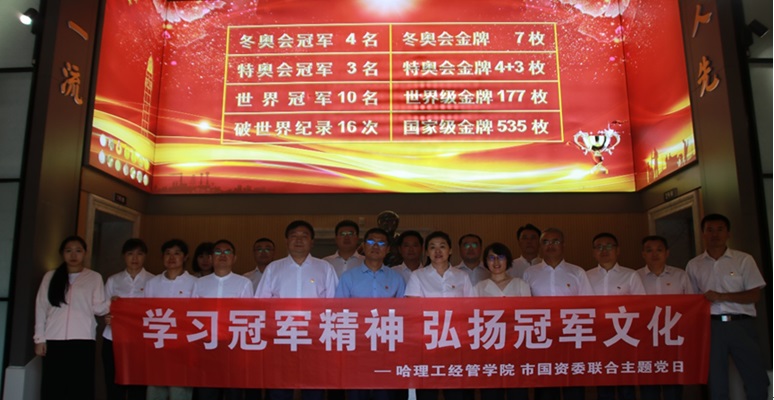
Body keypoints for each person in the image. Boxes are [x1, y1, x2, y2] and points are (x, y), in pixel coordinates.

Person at [686, 214, 768, 400]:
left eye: (720, 229)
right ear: (703, 234)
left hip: (741, 324)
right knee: (716, 381)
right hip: (711, 326)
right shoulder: (694, 265)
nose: (715, 234)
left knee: (755, 377)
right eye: (710, 230)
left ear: (728, 233)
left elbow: (754, 295)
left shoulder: (743, 260)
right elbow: (692, 300)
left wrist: (722, 296)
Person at [255, 220, 338, 400]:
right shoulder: (273, 268)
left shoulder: (325, 268)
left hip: (314, 338)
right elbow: (261, 304)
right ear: (286, 241)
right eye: (294, 236)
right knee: (279, 388)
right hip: (281, 337)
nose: (299, 240)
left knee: (313, 389)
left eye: (304, 236)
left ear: (312, 242)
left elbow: (333, 305)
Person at [34, 236, 110, 400]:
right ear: (62, 253)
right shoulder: (50, 276)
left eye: (78, 251)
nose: (73, 255)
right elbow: (41, 307)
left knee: (80, 386)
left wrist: (114, 303)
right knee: (53, 385)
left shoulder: (94, 277)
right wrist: (39, 338)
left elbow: (98, 308)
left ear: (85, 253)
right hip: (54, 338)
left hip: (83, 339)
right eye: (69, 251)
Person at [335, 227, 405, 400]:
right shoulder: (348, 277)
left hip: (387, 347)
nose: (375, 246)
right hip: (357, 346)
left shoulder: (397, 278)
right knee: (357, 393)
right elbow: (339, 312)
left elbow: (404, 314)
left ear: (388, 249)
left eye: (381, 243)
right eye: (371, 241)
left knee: (385, 394)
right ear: (363, 246)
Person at [522, 228, 593, 400]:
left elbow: (588, 306)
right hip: (542, 339)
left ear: (563, 245)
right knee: (546, 390)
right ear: (540, 246)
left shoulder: (577, 272)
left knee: (573, 389)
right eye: (546, 242)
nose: (550, 246)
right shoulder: (530, 273)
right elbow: (524, 307)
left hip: (572, 338)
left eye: (555, 241)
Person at [405, 231, 473, 400]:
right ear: (427, 252)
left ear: (450, 250)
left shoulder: (462, 276)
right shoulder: (418, 275)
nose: (437, 251)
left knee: (456, 392)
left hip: (456, 342)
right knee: (428, 391)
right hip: (428, 342)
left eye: (442, 246)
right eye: (432, 247)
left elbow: (470, 310)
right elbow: (412, 310)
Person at [585, 233, 644, 400]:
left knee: (626, 385)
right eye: (599, 247)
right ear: (593, 252)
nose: (604, 250)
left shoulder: (630, 275)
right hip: (597, 338)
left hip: (624, 337)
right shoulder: (586, 276)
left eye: (609, 246)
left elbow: (642, 306)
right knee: (604, 385)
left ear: (618, 250)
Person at [193, 239, 253, 400]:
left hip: (233, 347)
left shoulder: (244, 283)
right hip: (206, 346)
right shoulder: (199, 283)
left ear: (234, 258)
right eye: (218, 252)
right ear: (211, 258)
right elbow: (193, 315)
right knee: (207, 393)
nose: (223, 255)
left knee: (233, 393)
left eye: (227, 252)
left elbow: (248, 317)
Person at [636, 236, 692, 400]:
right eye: (649, 250)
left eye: (659, 250)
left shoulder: (680, 276)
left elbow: (692, 306)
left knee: (673, 385)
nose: (654, 254)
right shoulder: (635, 277)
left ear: (667, 253)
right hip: (645, 339)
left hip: (673, 338)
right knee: (649, 385)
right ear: (643, 254)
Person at [475, 242, 530, 400]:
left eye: (500, 257)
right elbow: (473, 319)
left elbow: (528, 317)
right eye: (491, 258)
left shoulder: (520, 285)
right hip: (489, 349)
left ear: (508, 260)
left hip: (516, 348)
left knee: (517, 393)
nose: (496, 262)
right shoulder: (478, 288)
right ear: (486, 262)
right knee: (491, 394)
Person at [145, 239, 197, 400]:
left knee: (179, 392)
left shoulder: (195, 283)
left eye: (177, 253)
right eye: (168, 253)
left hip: (183, 347)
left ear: (185, 257)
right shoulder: (152, 283)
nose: (172, 257)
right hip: (157, 345)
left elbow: (198, 315)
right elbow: (144, 313)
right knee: (155, 391)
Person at [103, 238, 155, 400]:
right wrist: (108, 315)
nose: (135, 258)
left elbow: (156, 311)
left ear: (145, 256)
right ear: (123, 256)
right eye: (130, 254)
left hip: (141, 340)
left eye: (139, 254)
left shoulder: (153, 281)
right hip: (113, 338)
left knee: (138, 386)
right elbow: (103, 307)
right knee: (114, 384)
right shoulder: (113, 280)